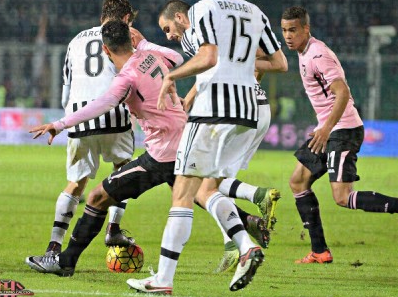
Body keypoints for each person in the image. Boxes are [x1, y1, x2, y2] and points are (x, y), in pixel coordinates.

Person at [26, 21, 270, 279]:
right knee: (201, 193)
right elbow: (177, 57)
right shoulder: (151, 55)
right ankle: (246, 224)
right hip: (186, 140)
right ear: (131, 40)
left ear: (106, 50)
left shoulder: (126, 77)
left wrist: (60, 124)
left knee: (97, 197)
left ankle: (65, 261)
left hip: (161, 155)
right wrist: (143, 42)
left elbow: (102, 104)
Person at [127, 0, 288, 295]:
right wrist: (240, 65)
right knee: (207, 190)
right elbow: (279, 63)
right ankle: (246, 246)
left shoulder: (201, 10)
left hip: (213, 110)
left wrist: (172, 76)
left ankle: (163, 280)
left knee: (183, 192)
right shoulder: (255, 11)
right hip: (247, 112)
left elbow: (208, 56)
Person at [280, 6, 398, 263]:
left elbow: (342, 93)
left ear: (306, 29)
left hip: (343, 130)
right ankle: (320, 251)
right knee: (298, 182)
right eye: (284, 30)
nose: (287, 35)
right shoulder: (304, 53)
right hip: (329, 130)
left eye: (293, 30)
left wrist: (326, 129)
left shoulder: (318, 55)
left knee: (342, 197)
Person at [157, 0, 286, 272]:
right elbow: (220, 66)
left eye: (167, 28)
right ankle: (240, 234)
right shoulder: (239, 21)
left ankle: (239, 239)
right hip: (254, 109)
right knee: (211, 183)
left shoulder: (199, 25)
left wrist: (172, 77)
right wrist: (193, 96)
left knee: (193, 187)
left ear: (179, 17)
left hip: (223, 110)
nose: (168, 36)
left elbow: (212, 61)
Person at [41, 0, 138, 256]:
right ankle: (113, 228)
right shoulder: (126, 38)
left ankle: (53, 246)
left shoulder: (75, 41)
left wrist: (69, 119)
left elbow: (66, 91)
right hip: (114, 116)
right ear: (126, 18)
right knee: (123, 171)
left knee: (75, 183)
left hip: (78, 118)